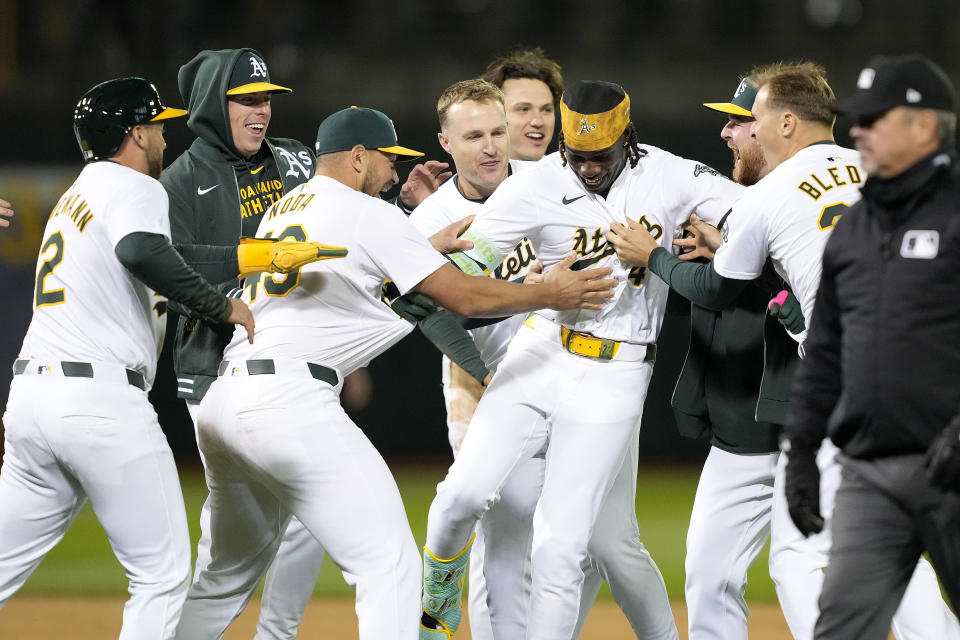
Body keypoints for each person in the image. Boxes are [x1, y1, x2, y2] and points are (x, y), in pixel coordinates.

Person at [172, 105, 615, 640]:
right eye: (388, 159)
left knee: (223, 577)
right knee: (390, 564)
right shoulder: (367, 211)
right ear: (358, 158)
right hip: (287, 402)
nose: (395, 173)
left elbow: (357, 282)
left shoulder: (285, 208)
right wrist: (547, 292)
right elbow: (466, 297)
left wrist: (422, 250)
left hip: (227, 400)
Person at [608, 61, 958, 640]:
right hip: (905, 376)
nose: (737, 132)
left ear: (786, 123)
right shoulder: (882, 174)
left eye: (754, 119)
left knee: (806, 556)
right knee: (898, 543)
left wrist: (655, 257)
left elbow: (717, 286)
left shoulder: (766, 196)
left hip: (841, 388)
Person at [419, 79, 743, 640]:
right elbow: (471, 277)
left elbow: (754, 214)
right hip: (541, 348)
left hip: (616, 372)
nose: (588, 167)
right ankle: (437, 601)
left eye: (601, 156)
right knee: (459, 498)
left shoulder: (671, 174)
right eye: (578, 156)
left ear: (629, 138)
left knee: (560, 546)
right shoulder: (537, 183)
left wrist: (725, 237)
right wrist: (515, 281)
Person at [0, 77, 254, 639]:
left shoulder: (81, 193)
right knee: (161, 575)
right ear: (136, 134)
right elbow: (142, 252)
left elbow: (161, 252)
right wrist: (222, 306)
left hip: (32, 402)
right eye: (158, 124)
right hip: (99, 404)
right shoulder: (137, 186)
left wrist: (242, 254)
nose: (165, 134)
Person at [782, 54, 960, 639]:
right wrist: (802, 450)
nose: (856, 130)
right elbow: (826, 351)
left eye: (874, 118)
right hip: (869, 475)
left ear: (924, 125)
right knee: (840, 629)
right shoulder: (854, 227)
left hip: (952, 469)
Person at [160, 48, 324, 640]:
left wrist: (401, 196)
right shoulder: (178, 182)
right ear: (211, 105)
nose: (263, 112)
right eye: (247, 100)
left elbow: (346, 217)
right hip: (213, 371)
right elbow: (168, 274)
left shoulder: (294, 161)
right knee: (249, 535)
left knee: (291, 517)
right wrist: (243, 274)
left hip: (290, 363)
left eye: (267, 100)